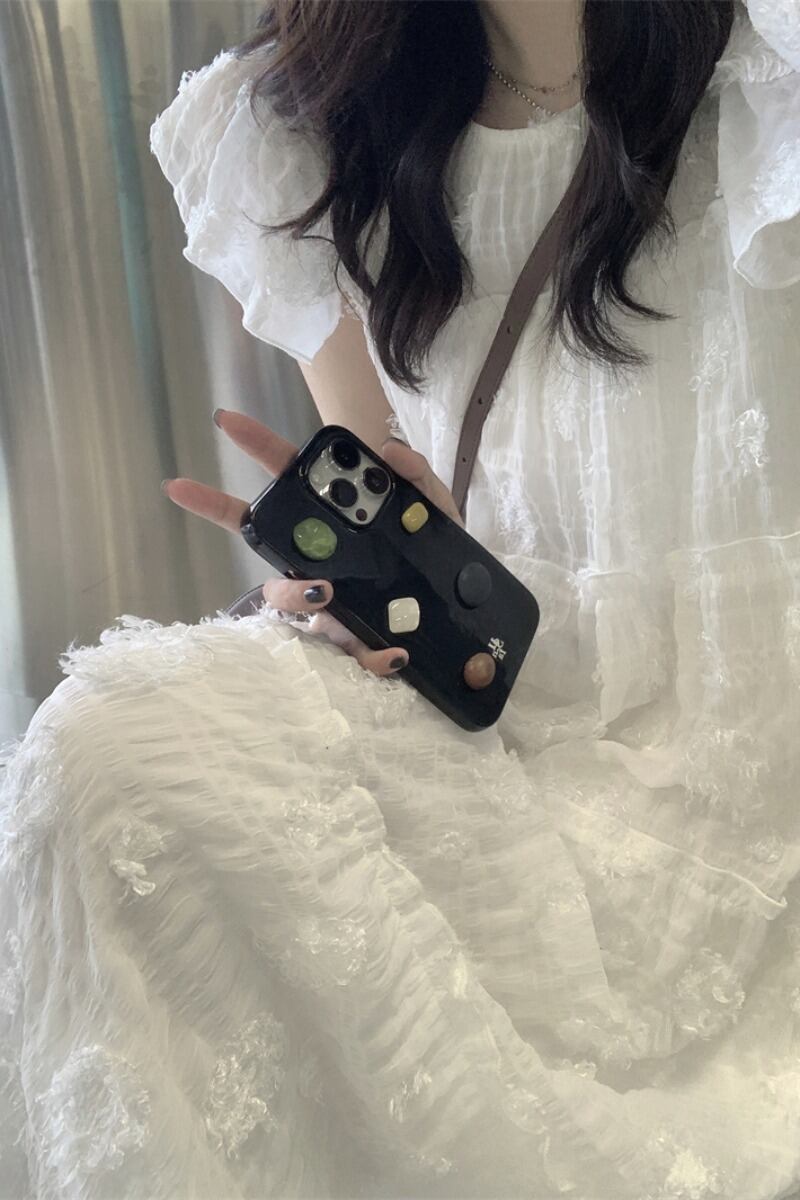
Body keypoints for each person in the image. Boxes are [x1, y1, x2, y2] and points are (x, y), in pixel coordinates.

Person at [1, 0, 799, 1195]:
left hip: (748, 756)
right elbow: (393, 477)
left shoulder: (770, 70)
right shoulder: (312, 119)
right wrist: (362, 591)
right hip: (494, 699)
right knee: (107, 760)